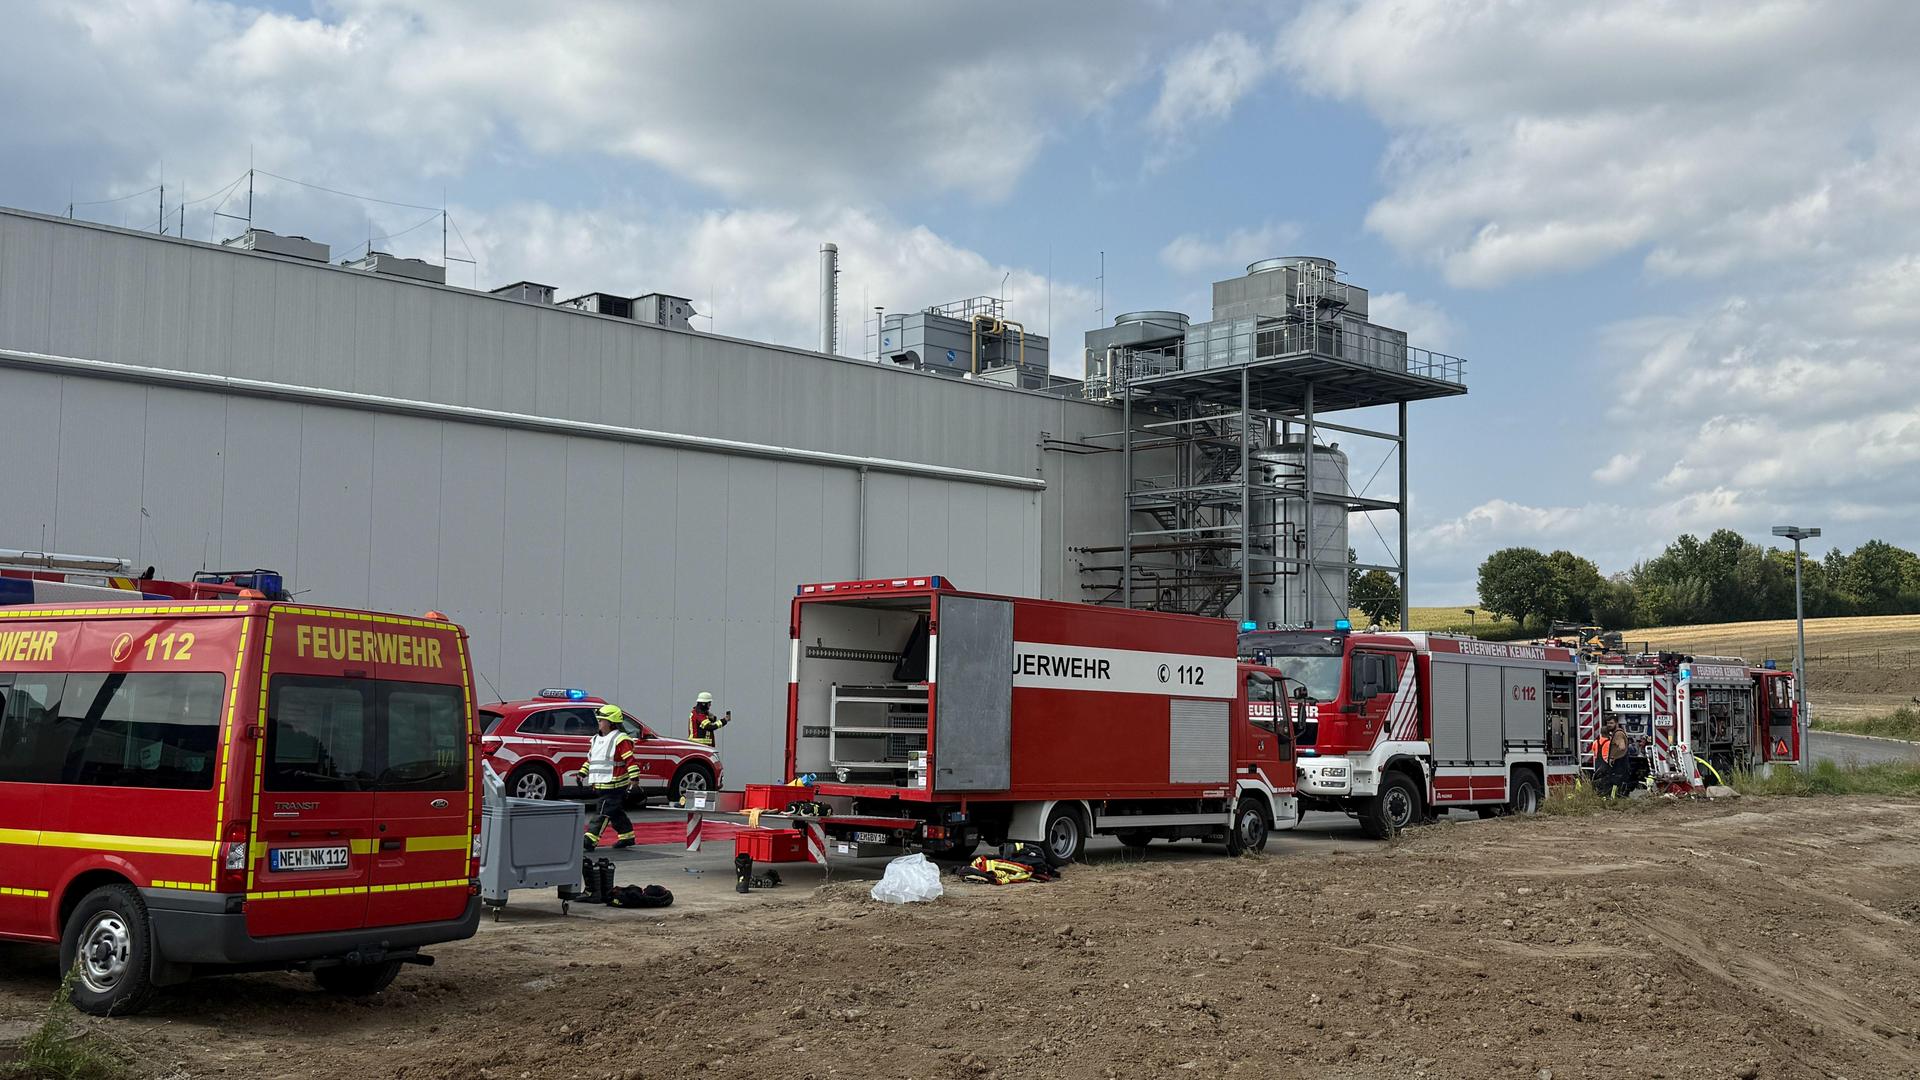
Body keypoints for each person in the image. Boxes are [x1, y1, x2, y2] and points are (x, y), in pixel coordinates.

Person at [580, 704, 640, 852]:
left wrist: (634, 779)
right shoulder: (595, 739)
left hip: (615, 785)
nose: (599, 723)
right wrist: (582, 773)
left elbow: (630, 760)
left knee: (603, 811)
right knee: (615, 812)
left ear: (611, 722)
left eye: (601, 720)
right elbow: (592, 760)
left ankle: (590, 839)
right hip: (601, 784)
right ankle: (627, 836)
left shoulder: (620, 739)